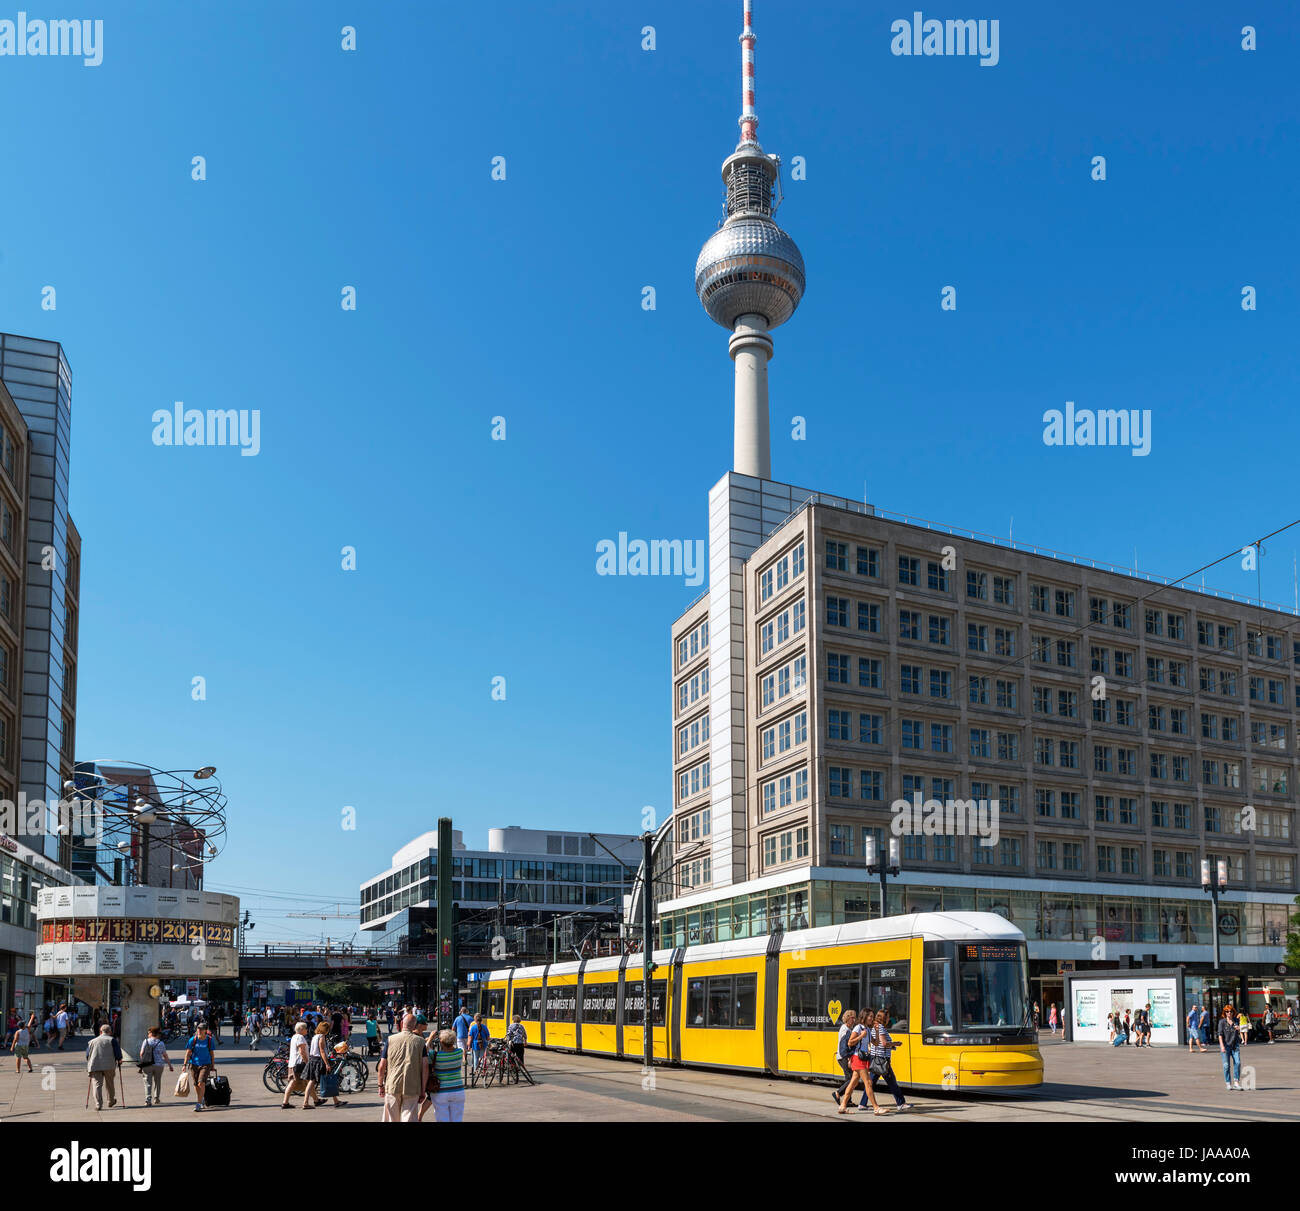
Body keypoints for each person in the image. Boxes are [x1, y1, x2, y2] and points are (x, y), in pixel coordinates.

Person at [377, 1013, 428, 1122]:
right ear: (415, 1026)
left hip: (393, 1084)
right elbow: (425, 1067)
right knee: (409, 1118)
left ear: (401, 1024)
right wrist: (423, 1090)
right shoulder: (421, 1042)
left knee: (391, 1118)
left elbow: (382, 1065)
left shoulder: (390, 1040)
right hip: (412, 1085)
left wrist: (380, 1084)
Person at [836, 1008, 885, 1115]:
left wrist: (876, 1031)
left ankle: (843, 1106)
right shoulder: (858, 1028)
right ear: (864, 1016)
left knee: (853, 1083)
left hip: (862, 1059)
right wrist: (861, 1036)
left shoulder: (867, 1029)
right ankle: (876, 1108)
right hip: (857, 1058)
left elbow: (876, 1043)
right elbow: (850, 1043)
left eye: (872, 1016)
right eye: (870, 1016)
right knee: (868, 1082)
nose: (872, 1018)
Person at [868, 1007, 912, 1112]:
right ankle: (901, 1103)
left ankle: (862, 1104)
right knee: (892, 1082)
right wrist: (896, 1043)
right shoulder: (881, 1028)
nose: (889, 1019)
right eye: (887, 1017)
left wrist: (891, 1046)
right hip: (882, 1060)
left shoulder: (875, 1027)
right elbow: (883, 1043)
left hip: (877, 1058)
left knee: (870, 1083)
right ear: (884, 1018)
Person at [302, 1021, 344, 1110]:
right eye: (328, 1029)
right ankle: (336, 1101)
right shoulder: (321, 1037)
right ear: (325, 1029)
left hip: (313, 1060)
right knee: (329, 1080)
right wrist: (327, 1064)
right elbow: (322, 1052)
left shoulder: (315, 1037)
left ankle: (306, 1102)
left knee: (312, 1081)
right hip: (319, 1061)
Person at [431, 1028, 467, 1121]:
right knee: (457, 1119)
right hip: (458, 1090)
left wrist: (430, 1038)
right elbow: (462, 1048)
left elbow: (424, 1050)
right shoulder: (459, 1052)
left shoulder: (435, 1055)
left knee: (442, 1118)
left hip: (441, 1091)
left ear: (441, 1042)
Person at [86, 1023, 121, 1110]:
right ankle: (111, 1101)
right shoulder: (112, 1040)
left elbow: (87, 1055)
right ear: (110, 1031)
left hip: (95, 1065)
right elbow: (118, 1053)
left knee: (97, 1085)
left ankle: (98, 1104)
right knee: (110, 1084)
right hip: (109, 1065)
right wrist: (119, 1060)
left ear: (100, 1031)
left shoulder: (92, 1041)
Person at [184, 1021, 217, 1112]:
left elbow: (212, 1054)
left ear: (205, 1030)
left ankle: (198, 1104)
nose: (199, 1030)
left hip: (206, 1064)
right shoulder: (193, 1040)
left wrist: (212, 1065)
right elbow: (188, 1053)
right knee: (196, 1084)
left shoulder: (209, 1040)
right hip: (194, 1064)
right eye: (198, 1028)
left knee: (201, 1082)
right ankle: (201, 1099)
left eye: (201, 1029)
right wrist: (184, 1064)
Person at [833, 1008, 862, 1108]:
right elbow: (844, 1047)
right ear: (847, 1018)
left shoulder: (847, 1029)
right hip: (844, 1057)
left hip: (843, 1056)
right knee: (851, 1079)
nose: (854, 1020)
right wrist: (849, 1057)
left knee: (848, 1079)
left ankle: (848, 1101)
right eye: (852, 1018)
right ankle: (838, 1093)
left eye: (855, 1018)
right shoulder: (845, 1030)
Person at [138, 1026, 174, 1106]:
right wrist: (170, 1065)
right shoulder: (161, 1043)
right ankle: (156, 1098)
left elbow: (141, 1053)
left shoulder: (146, 1041)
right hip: (159, 1065)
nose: (148, 1035)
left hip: (147, 1064)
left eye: (148, 1033)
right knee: (157, 1082)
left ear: (151, 1033)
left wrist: (144, 1061)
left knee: (148, 1082)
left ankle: (148, 1100)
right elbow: (165, 1055)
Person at [280, 1022, 312, 1110]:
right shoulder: (300, 1037)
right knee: (300, 1082)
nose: (307, 1030)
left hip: (294, 1063)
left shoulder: (294, 1036)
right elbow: (302, 1052)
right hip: (299, 1063)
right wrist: (307, 1062)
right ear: (301, 1029)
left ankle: (316, 1100)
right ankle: (286, 1102)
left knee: (308, 1081)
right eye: (305, 1028)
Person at [1219, 1004, 1242, 1090]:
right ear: (1224, 1013)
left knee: (1238, 1062)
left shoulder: (1236, 1020)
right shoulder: (1222, 1022)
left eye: (1231, 1011)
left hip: (1235, 1045)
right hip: (1225, 1045)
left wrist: (1238, 1028)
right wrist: (1222, 1046)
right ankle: (1228, 1083)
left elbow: (1240, 1029)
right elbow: (1220, 1035)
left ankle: (1236, 1082)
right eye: (1227, 1011)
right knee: (1226, 1065)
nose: (1229, 1013)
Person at [454, 1004, 473, 1077]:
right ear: (467, 1011)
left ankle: (464, 1059)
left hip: (460, 1036)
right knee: (468, 1048)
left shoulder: (457, 1018)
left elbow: (453, 1028)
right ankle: (471, 1060)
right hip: (468, 1036)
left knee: (462, 1048)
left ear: (461, 1011)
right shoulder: (470, 1018)